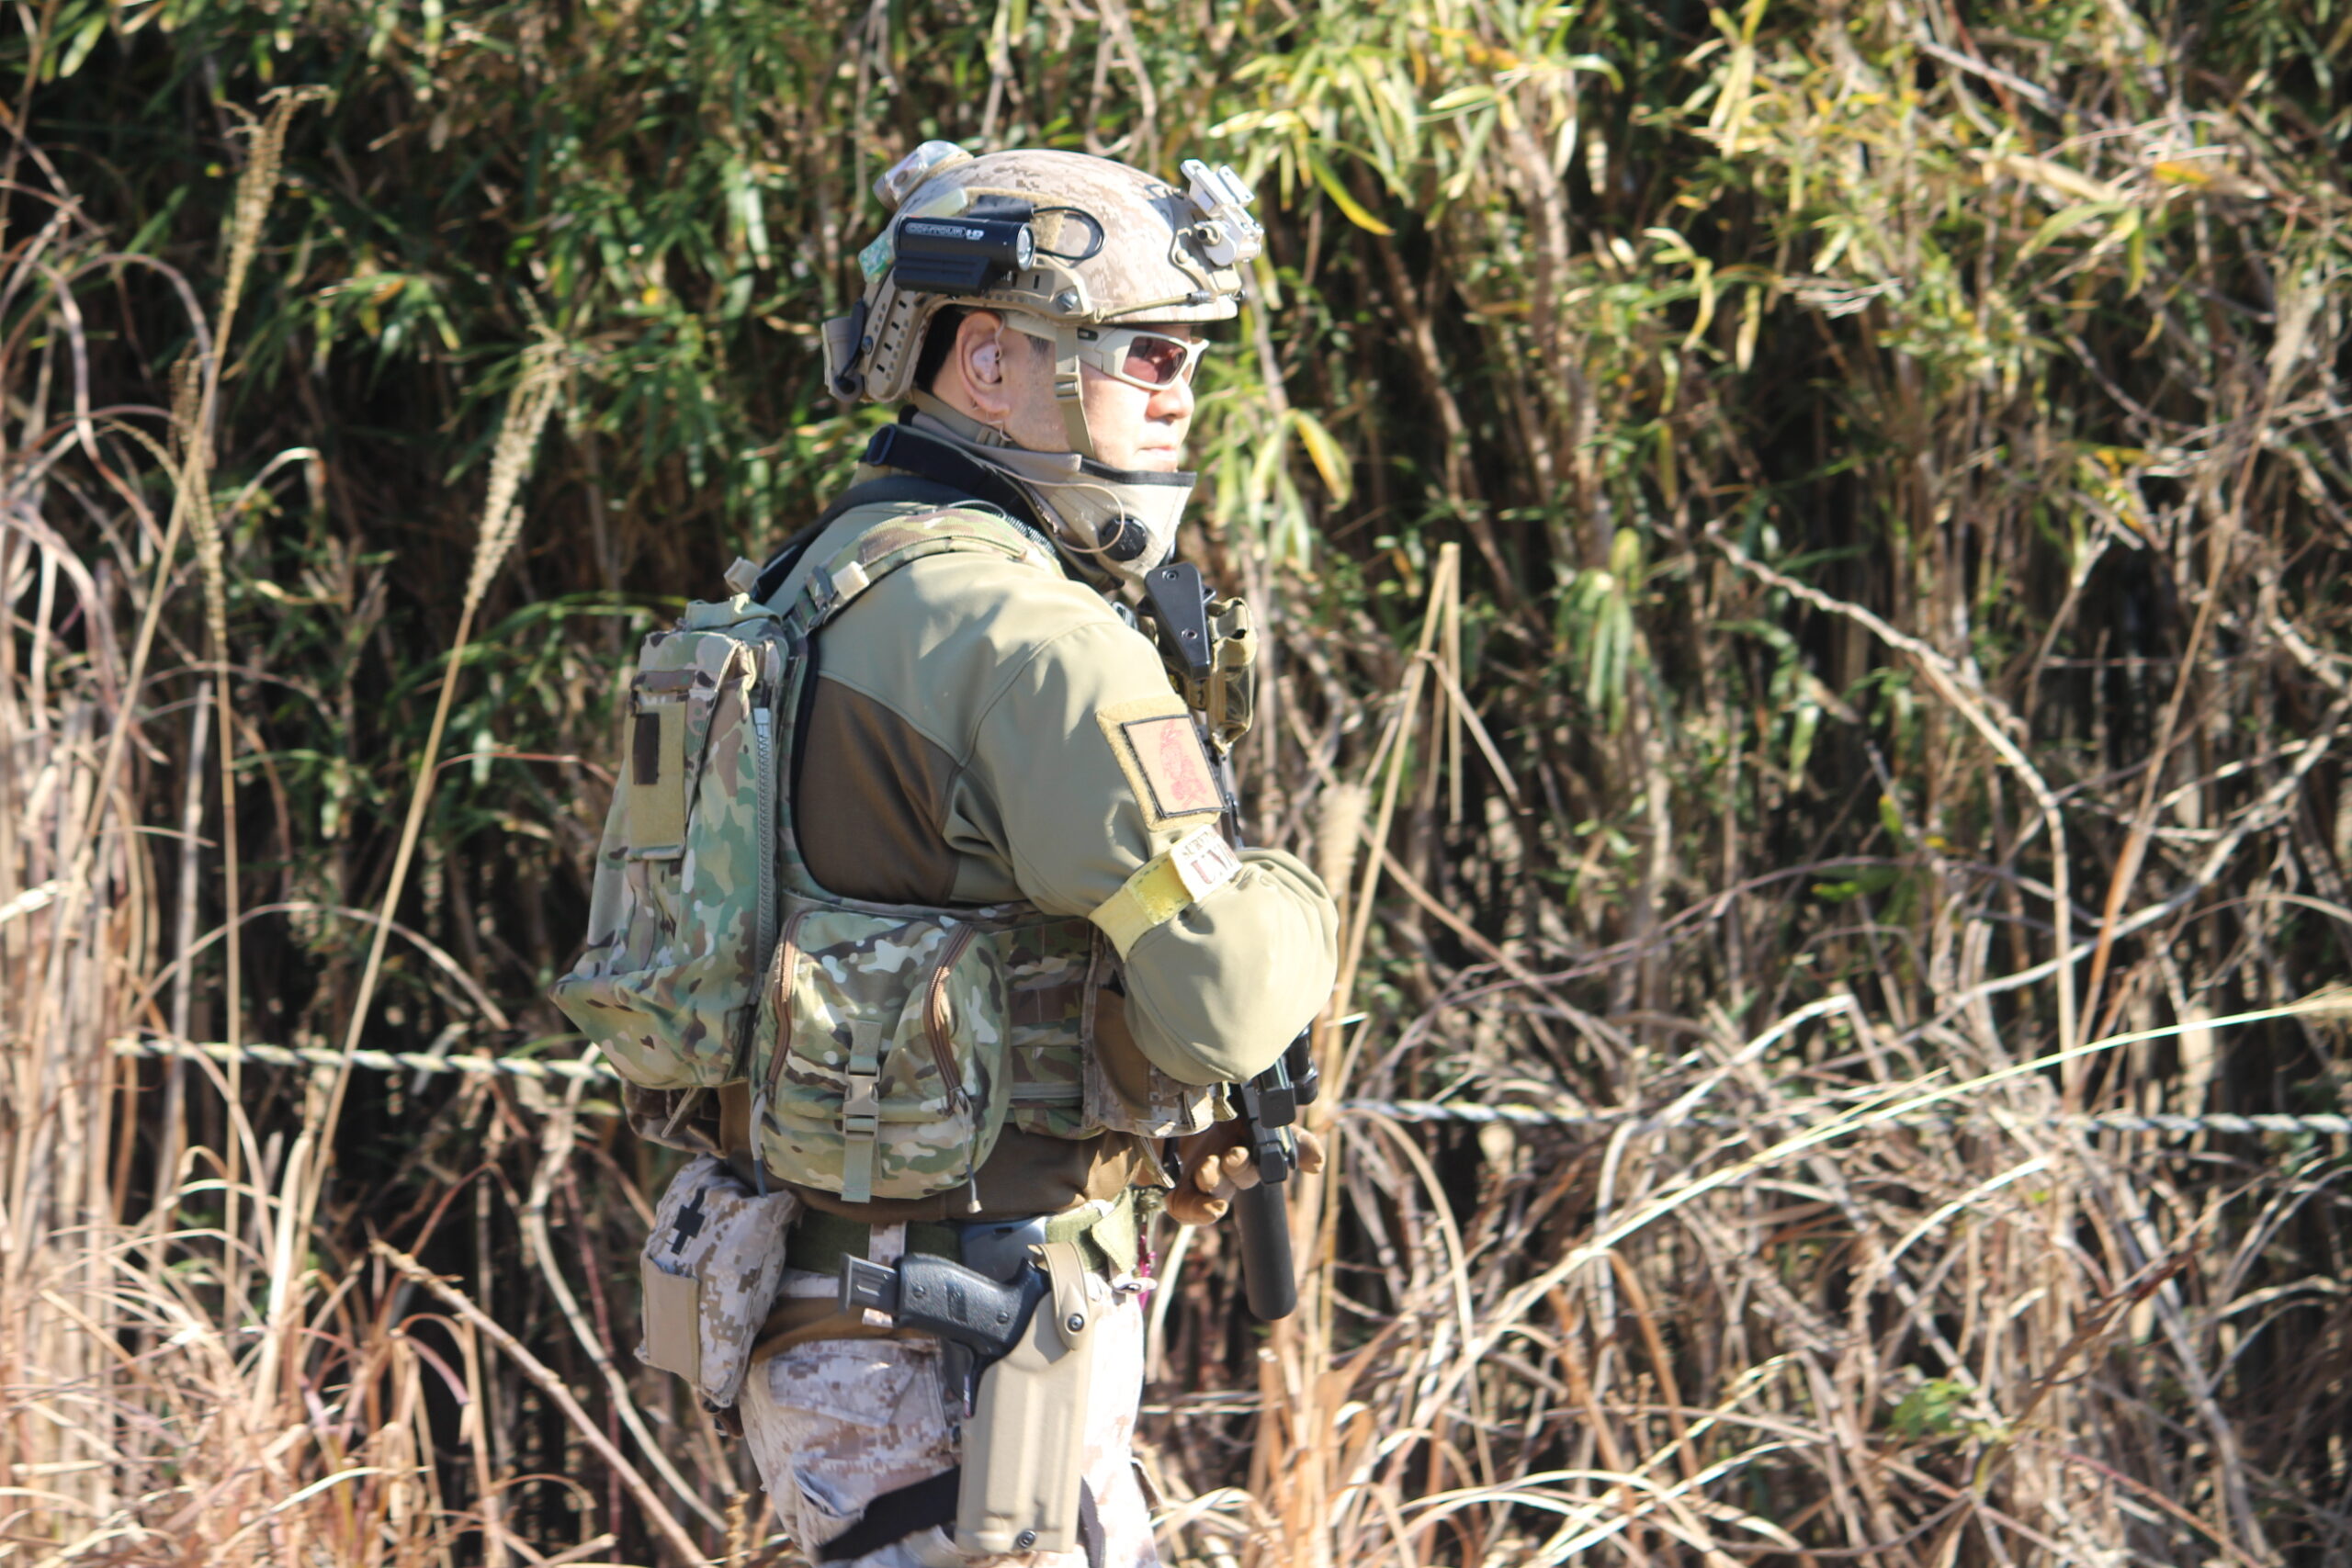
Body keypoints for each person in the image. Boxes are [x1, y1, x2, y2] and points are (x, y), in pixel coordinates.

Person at [722, 145, 1340, 1566]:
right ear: (990, 363)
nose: (1179, 394)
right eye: (1145, 353)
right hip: (967, 1357)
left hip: (830, 1329)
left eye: (1189, 359)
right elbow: (1223, 998)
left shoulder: (809, 586)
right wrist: (1293, 897)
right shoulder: (1032, 636)